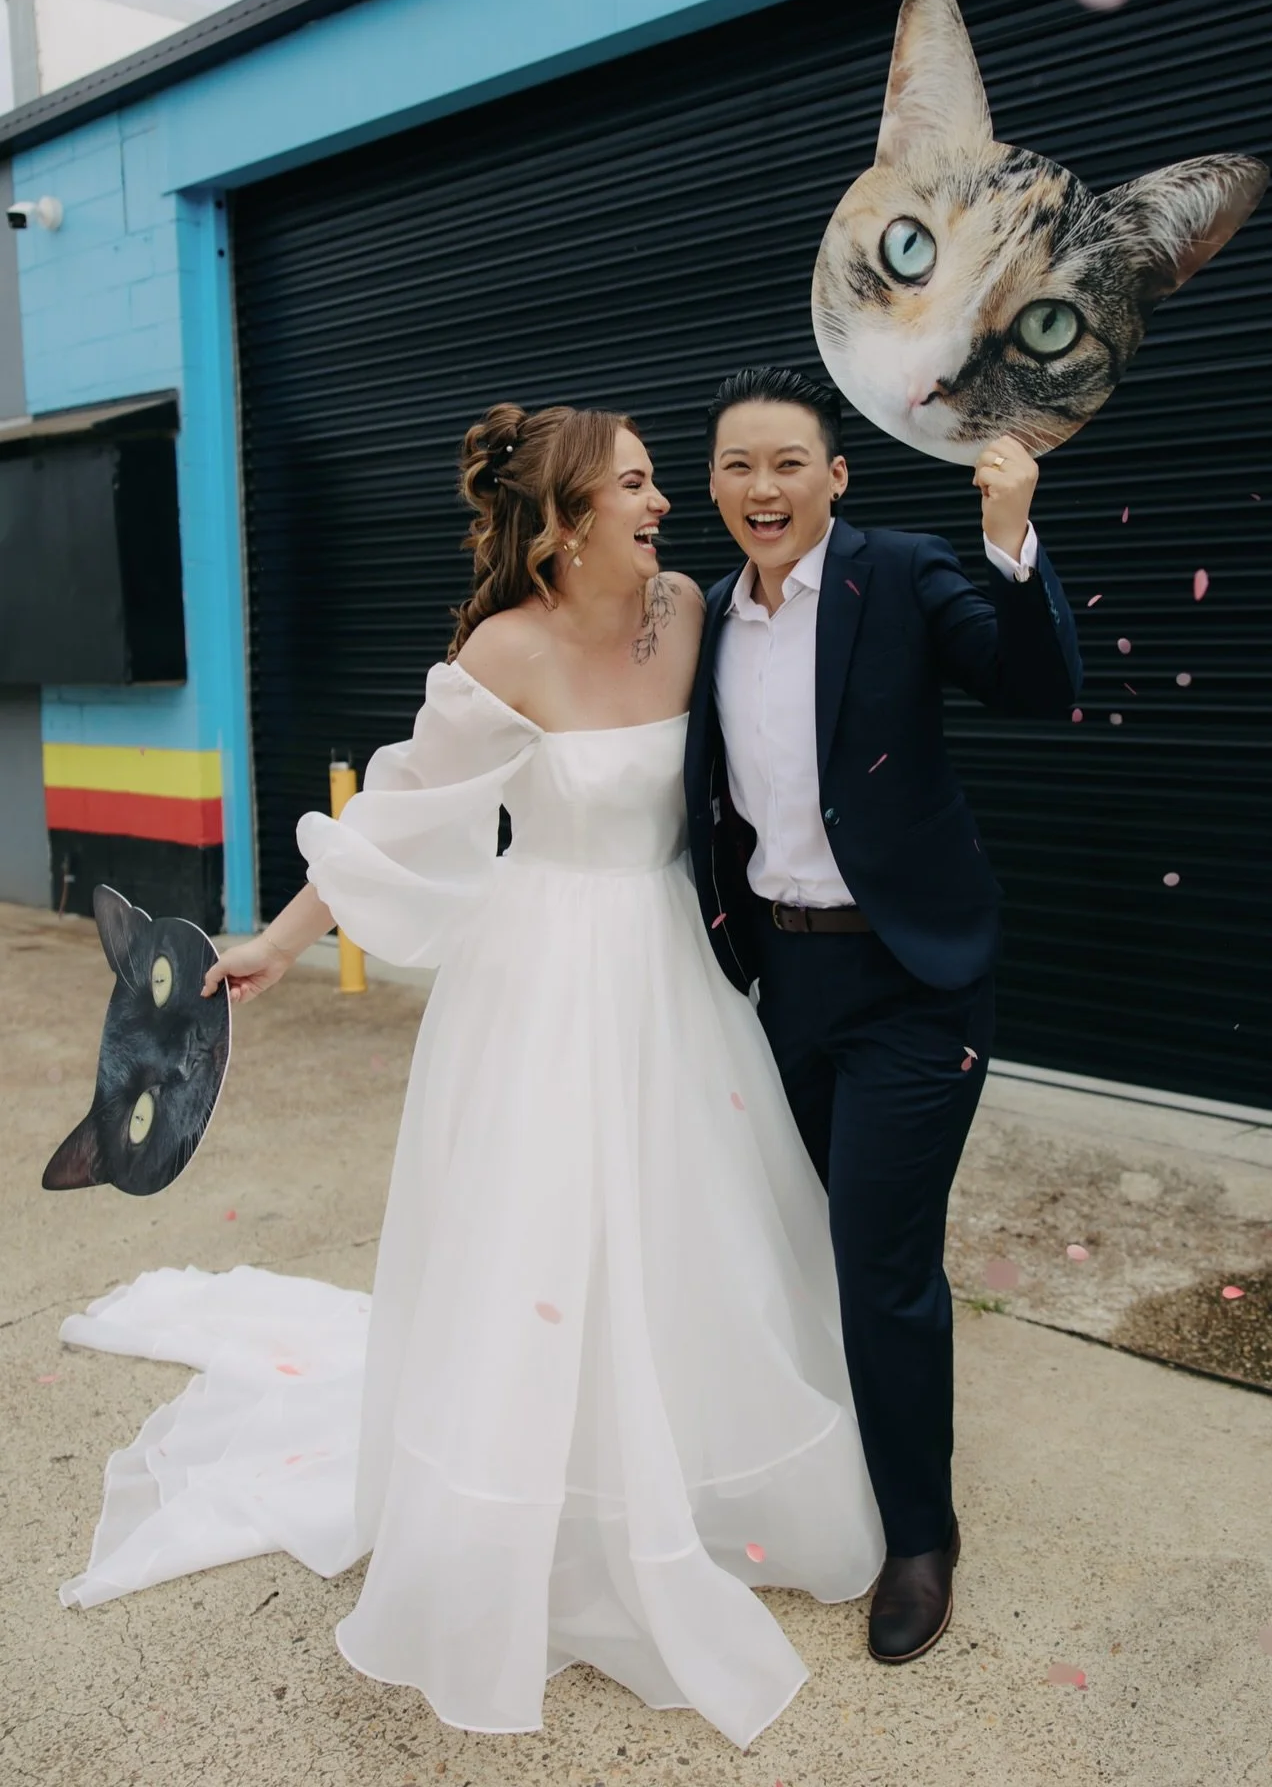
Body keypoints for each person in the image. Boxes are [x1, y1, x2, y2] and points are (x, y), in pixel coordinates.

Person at [57, 402, 885, 1751]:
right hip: (545, 977)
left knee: (687, 1227)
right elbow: (397, 816)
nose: (666, 500)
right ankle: (548, 1507)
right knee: (547, 1242)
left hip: (671, 964)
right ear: (563, 526)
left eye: (659, 479)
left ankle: (690, 1476)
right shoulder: (505, 650)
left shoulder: (686, 609)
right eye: (634, 484)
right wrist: (275, 941)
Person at [683, 365, 1083, 1665]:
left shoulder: (902, 576)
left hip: (912, 982)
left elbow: (1036, 691)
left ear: (836, 475)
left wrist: (1011, 538)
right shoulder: (701, 620)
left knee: (880, 1261)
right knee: (806, 1240)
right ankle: (823, 1464)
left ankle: (920, 1536)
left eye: (788, 462)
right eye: (739, 465)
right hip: (780, 981)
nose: (763, 487)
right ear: (715, 482)